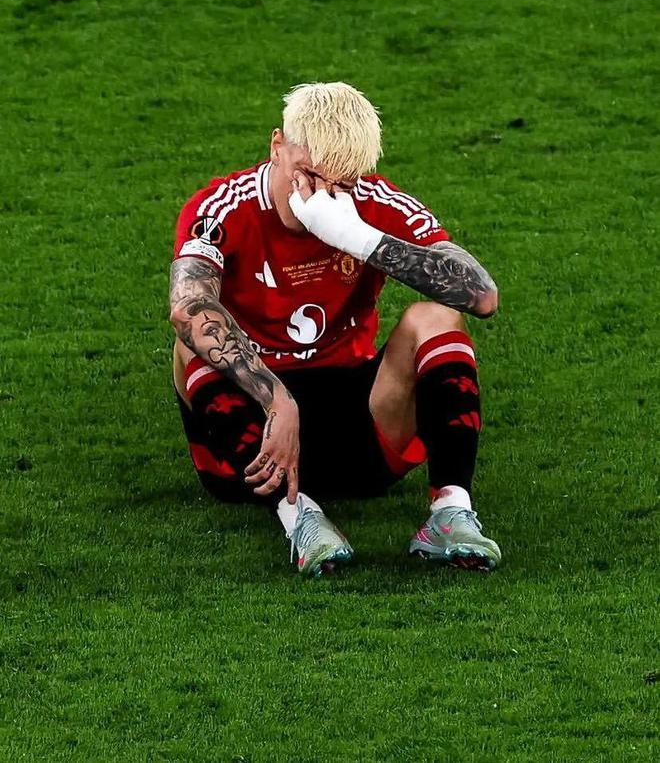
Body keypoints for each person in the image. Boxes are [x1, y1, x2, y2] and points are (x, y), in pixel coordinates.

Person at [169, 82, 502, 577]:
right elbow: (187, 306)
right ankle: (299, 516)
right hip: (251, 440)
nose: (319, 194)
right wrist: (276, 399)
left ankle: (450, 512)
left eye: (340, 182)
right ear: (277, 146)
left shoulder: (373, 203)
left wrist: (357, 236)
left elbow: (482, 296)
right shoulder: (221, 208)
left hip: (358, 427)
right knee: (192, 340)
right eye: (308, 174)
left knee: (434, 317)